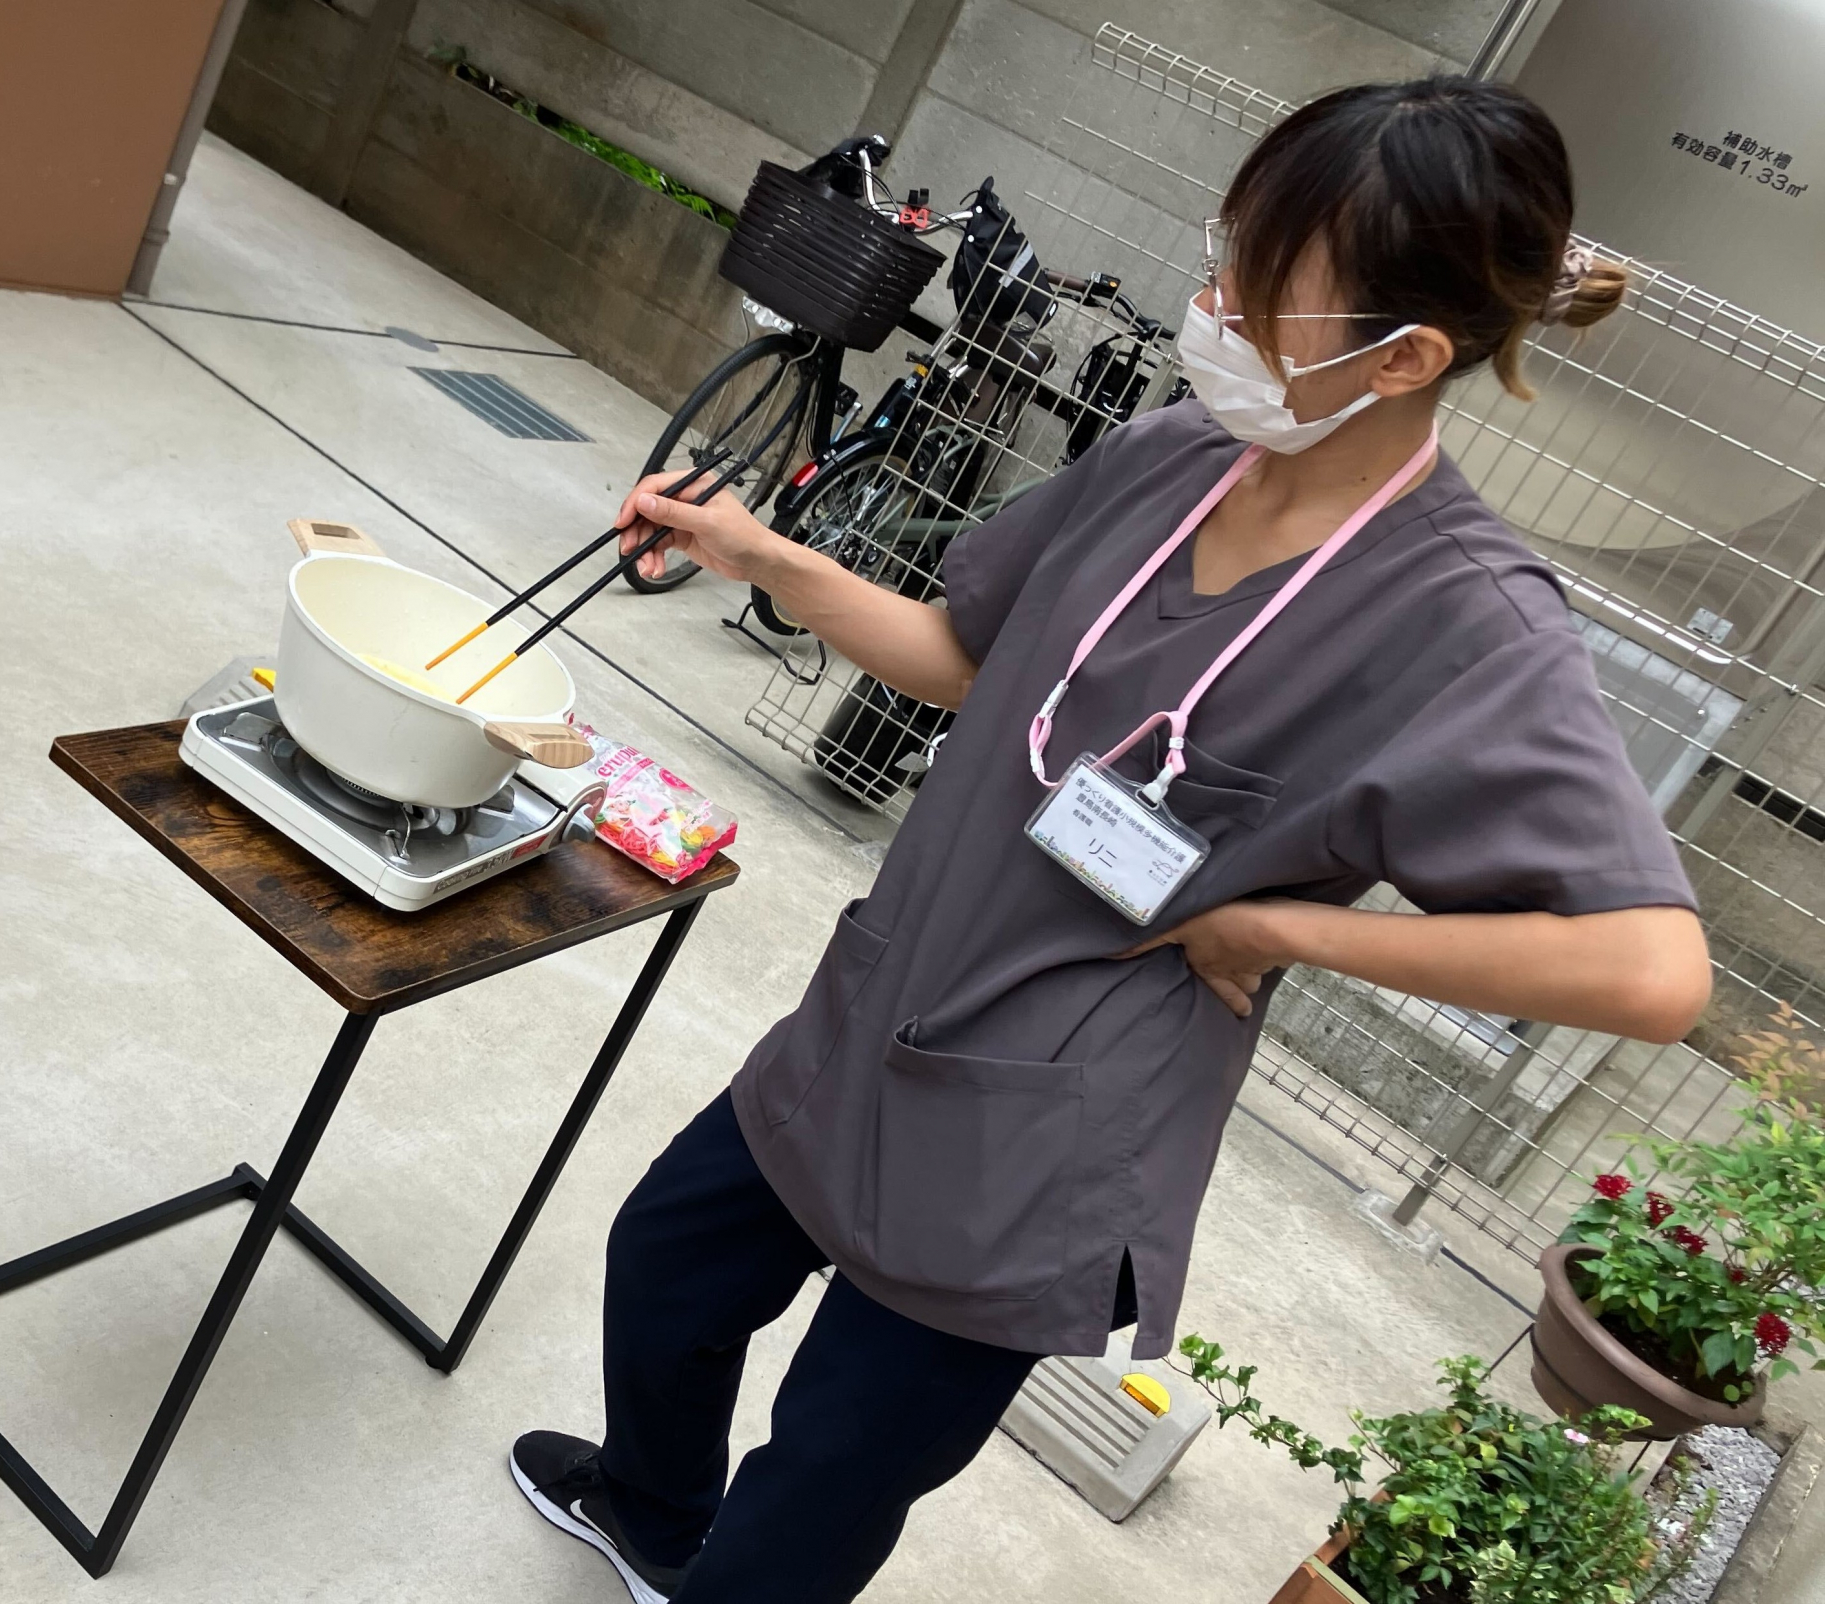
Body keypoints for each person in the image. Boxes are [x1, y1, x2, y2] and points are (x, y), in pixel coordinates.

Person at [507, 76, 1711, 1603]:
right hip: (887, 1001)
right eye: (1224, 256)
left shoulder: (1465, 623)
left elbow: (1652, 971)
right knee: (671, 1264)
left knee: (828, 1470)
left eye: (1260, 290)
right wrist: (763, 555)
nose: (1213, 308)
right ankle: (650, 1515)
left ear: (1406, 355)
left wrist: (1284, 929)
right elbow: (966, 658)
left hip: (1045, 1131)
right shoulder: (1171, 457)